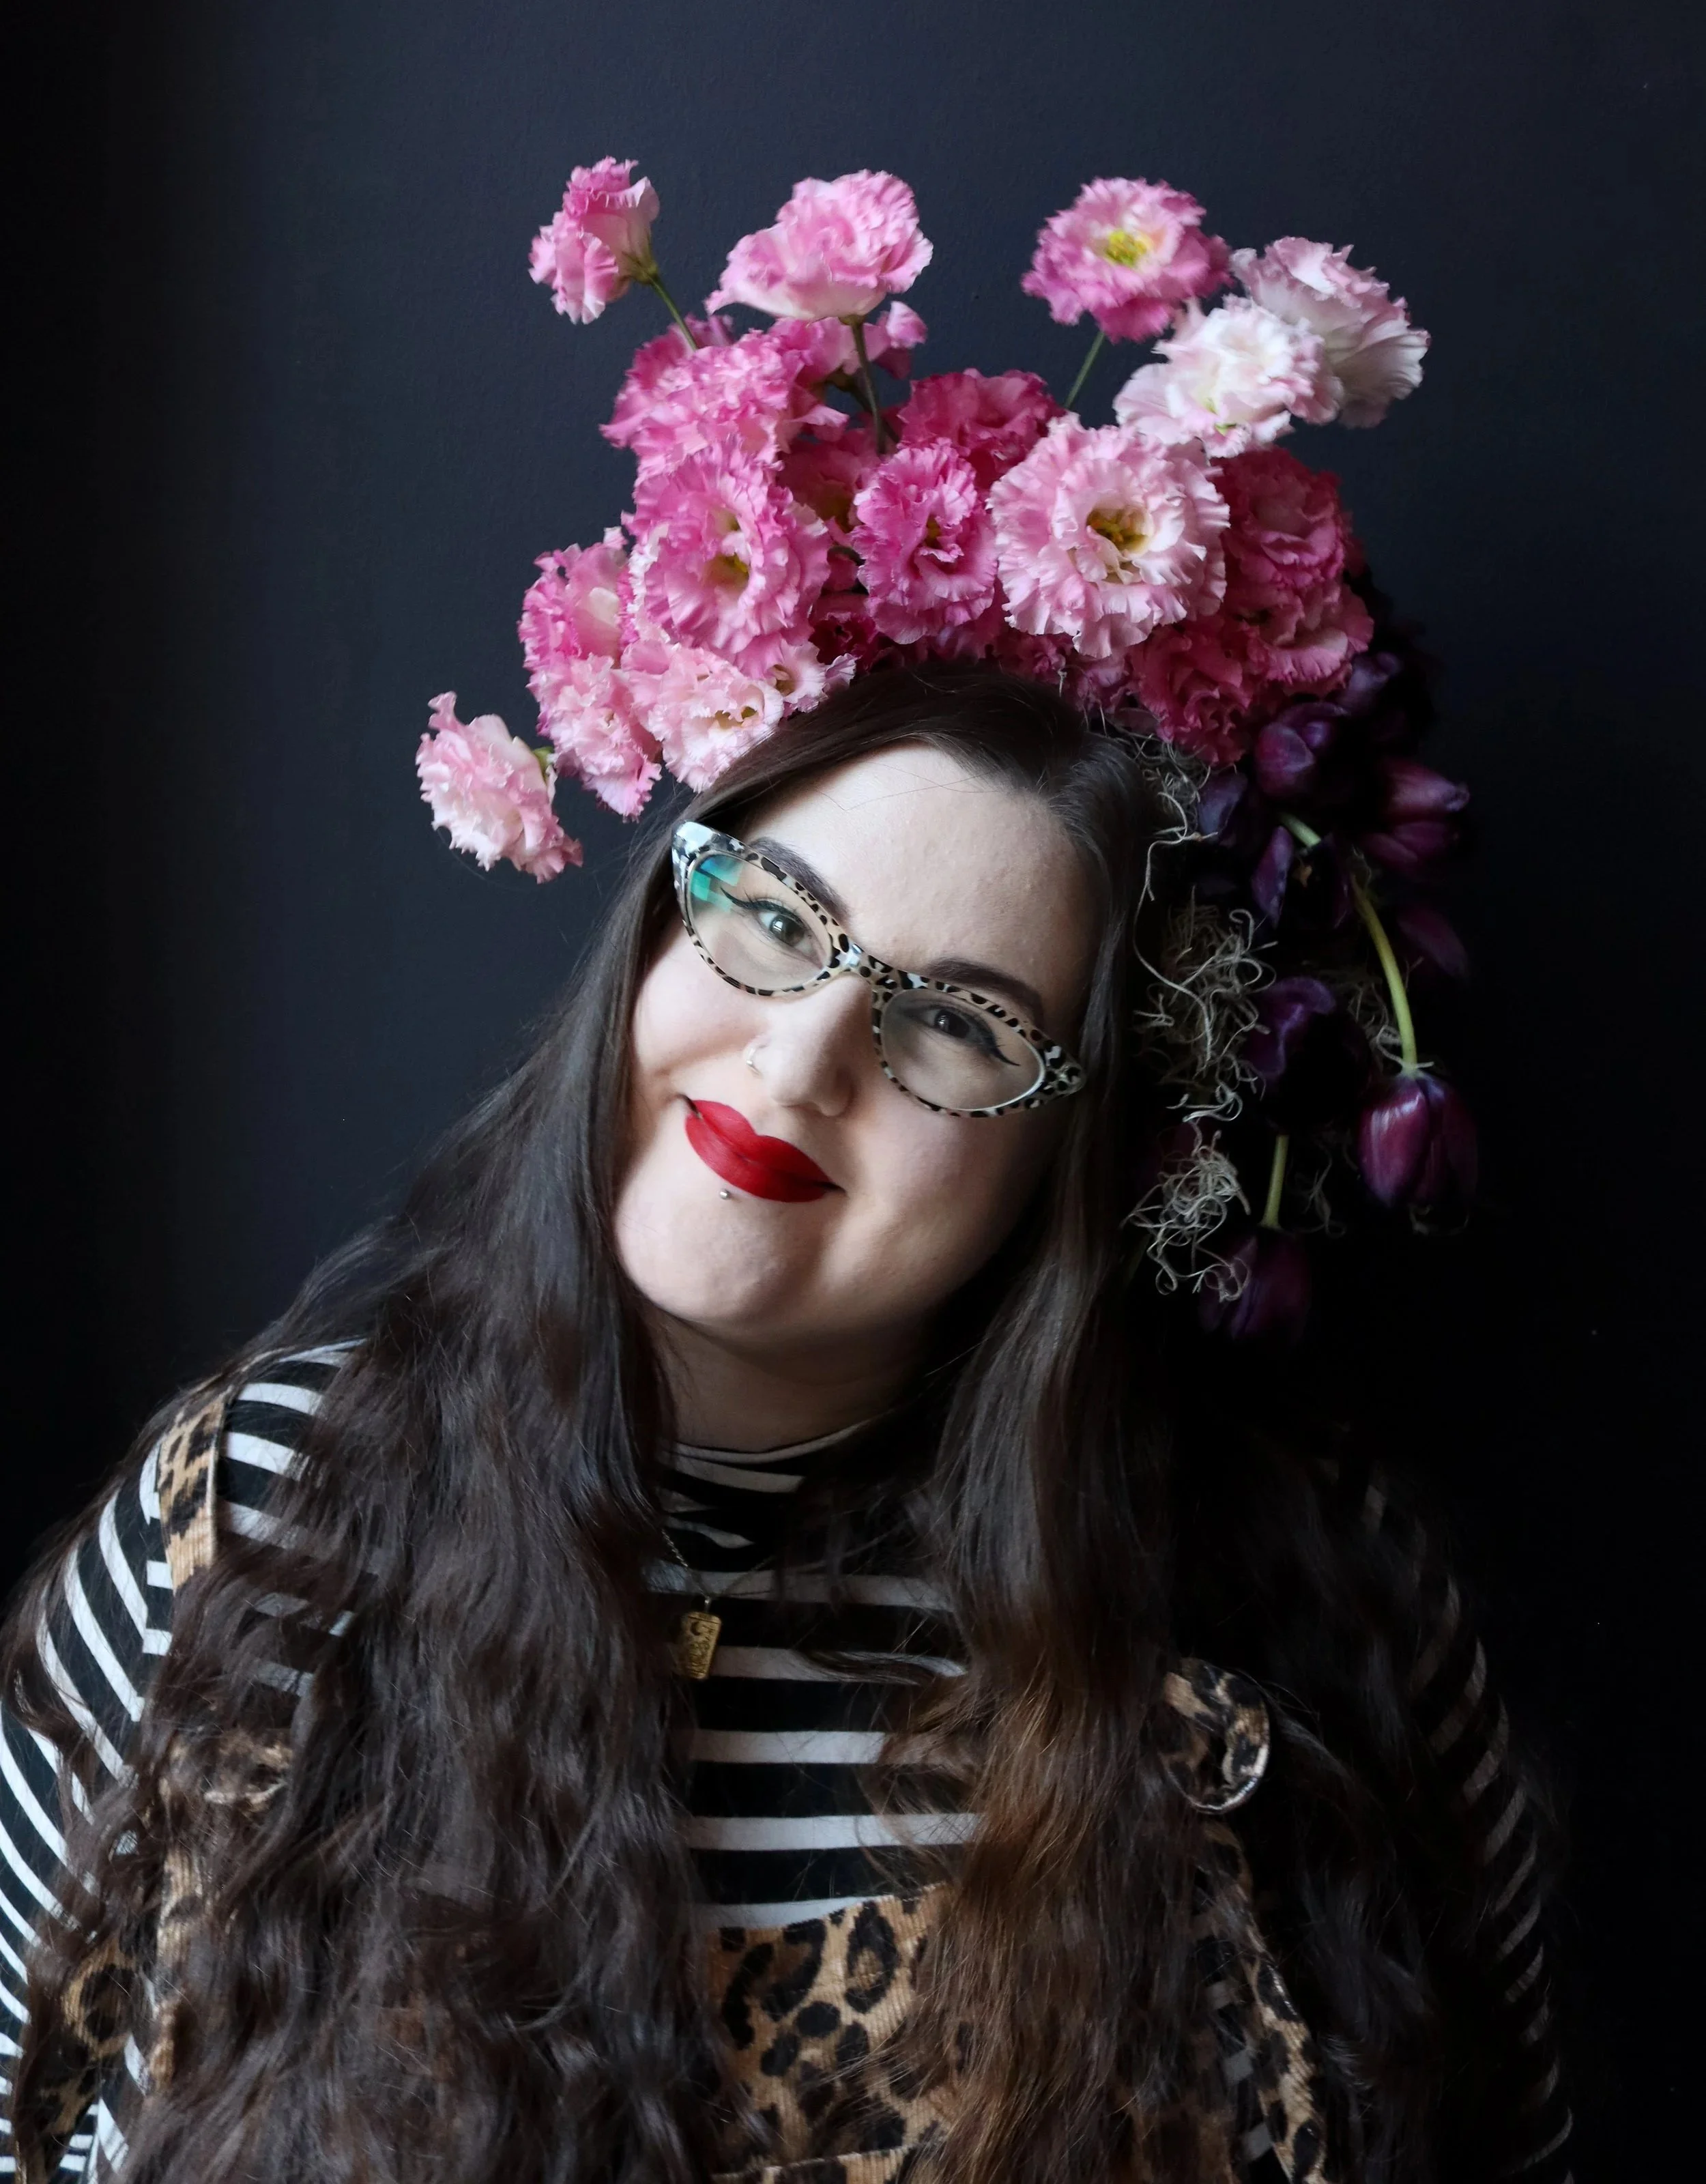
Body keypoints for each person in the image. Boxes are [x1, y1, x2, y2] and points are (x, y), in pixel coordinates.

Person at [0, 670, 1570, 2183]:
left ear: (1066, 1164)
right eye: (768, 916)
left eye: (958, 1023)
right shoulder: (251, 1518)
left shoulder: (1294, 1597)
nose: (802, 1057)